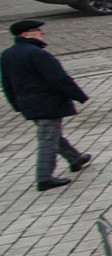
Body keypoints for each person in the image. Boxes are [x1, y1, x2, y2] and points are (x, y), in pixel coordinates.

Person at [4, 20, 89, 191]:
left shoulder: (7, 54)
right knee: (48, 139)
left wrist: (16, 104)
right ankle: (44, 178)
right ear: (26, 34)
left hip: (28, 103)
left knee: (51, 134)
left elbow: (7, 83)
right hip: (47, 103)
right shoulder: (38, 54)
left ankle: (75, 158)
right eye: (37, 30)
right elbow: (57, 79)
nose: (41, 33)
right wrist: (79, 96)